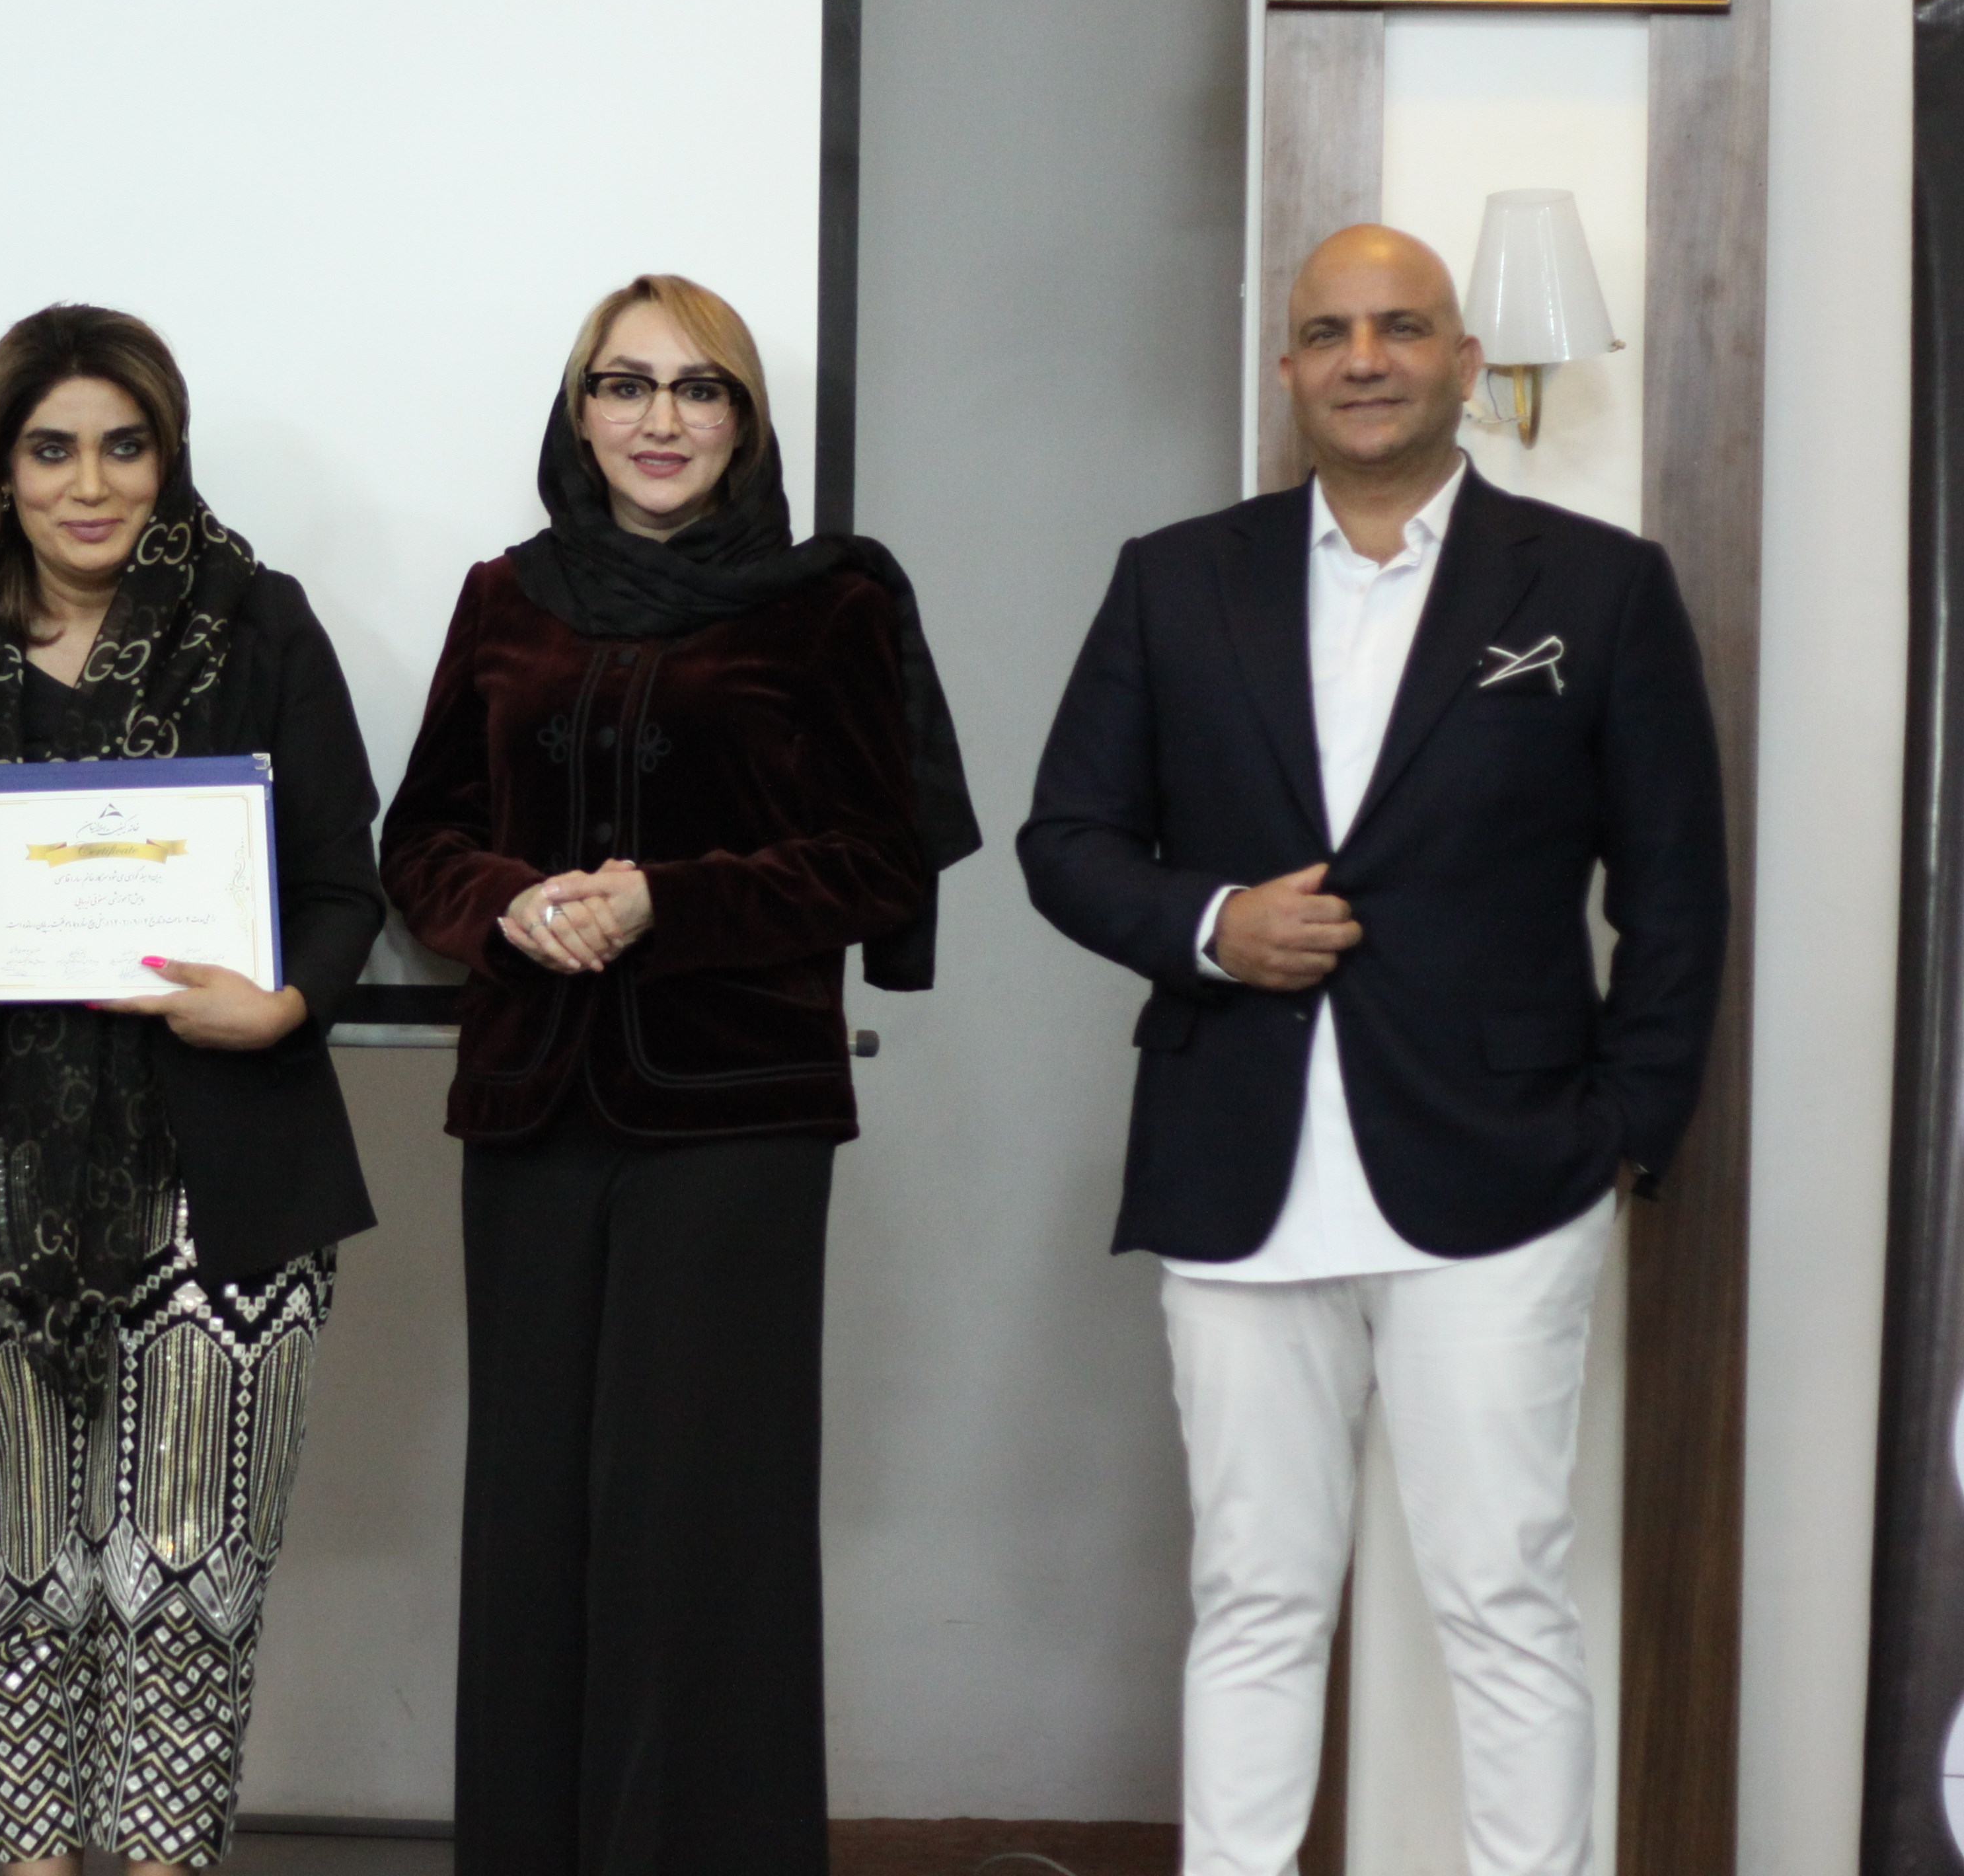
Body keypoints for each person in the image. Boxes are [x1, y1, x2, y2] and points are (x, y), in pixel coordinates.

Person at [1016, 224, 1727, 1876]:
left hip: (1508, 1173)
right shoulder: (1175, 577)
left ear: (1464, 362)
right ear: (1287, 369)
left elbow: (1677, 892)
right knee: (1253, 1598)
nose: (1365, 359)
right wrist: (1216, 925)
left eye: (1402, 327)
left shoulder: (1598, 586)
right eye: (1330, 331)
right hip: (1235, 1166)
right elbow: (1068, 839)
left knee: (1504, 1596)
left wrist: (1627, 1128)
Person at [378, 274, 978, 1875]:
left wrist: (668, 901)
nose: (661, 419)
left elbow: (881, 858)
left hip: (736, 1123)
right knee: (533, 1526)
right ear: (578, 414)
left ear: (745, 421)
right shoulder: (506, 597)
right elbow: (420, 838)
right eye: (626, 385)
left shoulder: (832, 602)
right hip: (529, 1111)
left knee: (701, 1533)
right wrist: (506, 902)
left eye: (699, 388)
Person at [0, 303, 383, 1876]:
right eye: (52, 449)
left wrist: (284, 1004)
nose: (90, 484)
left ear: (168, 454)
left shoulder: (256, 621)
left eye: (125, 447)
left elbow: (341, 880)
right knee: (9, 1575)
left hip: (224, 1166)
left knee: (190, 1579)